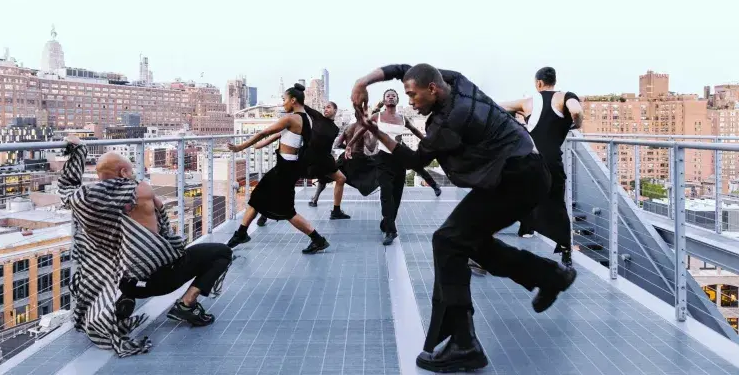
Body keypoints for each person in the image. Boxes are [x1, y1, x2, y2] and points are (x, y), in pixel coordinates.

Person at [351, 63, 577, 373]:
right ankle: (549, 276)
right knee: (470, 241)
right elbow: (407, 68)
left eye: (412, 94)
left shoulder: (450, 121)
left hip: (518, 177)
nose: (410, 100)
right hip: (521, 172)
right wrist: (366, 82)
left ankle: (464, 342)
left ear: (432, 90)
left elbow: (416, 160)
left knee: (447, 241)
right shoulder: (457, 81)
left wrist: (375, 127)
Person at [58, 136, 232, 357]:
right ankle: (186, 304)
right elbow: (161, 214)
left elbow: (65, 189)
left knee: (127, 260)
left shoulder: (87, 198)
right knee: (222, 253)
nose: (133, 173)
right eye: (129, 170)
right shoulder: (141, 190)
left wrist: (79, 150)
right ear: (123, 173)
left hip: (121, 282)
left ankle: (125, 298)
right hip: (161, 279)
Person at [226, 84, 330, 254]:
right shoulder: (306, 118)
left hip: (285, 169)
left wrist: (240, 147)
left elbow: (263, 132)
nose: (283, 103)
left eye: (284, 100)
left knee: (287, 211)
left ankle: (318, 239)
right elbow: (281, 135)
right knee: (257, 197)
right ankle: (241, 233)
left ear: (293, 100)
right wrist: (263, 145)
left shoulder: (291, 118)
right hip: (288, 166)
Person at [499, 67, 583, 266]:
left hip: (529, 159)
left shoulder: (528, 102)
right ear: (554, 81)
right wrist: (576, 124)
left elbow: (497, 107)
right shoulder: (564, 97)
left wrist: (520, 117)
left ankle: (485, 246)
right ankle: (565, 251)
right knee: (557, 203)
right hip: (552, 161)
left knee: (516, 199)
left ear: (538, 83)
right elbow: (577, 110)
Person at [347, 89, 433, 245]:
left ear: (397, 100)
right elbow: (361, 131)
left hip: (399, 159)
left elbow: (415, 131)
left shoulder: (402, 118)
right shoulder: (377, 117)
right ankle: (390, 231)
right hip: (383, 159)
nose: (391, 97)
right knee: (386, 194)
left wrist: (428, 143)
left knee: (397, 195)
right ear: (384, 101)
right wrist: (349, 146)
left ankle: (387, 221)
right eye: (388, 96)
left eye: (394, 95)